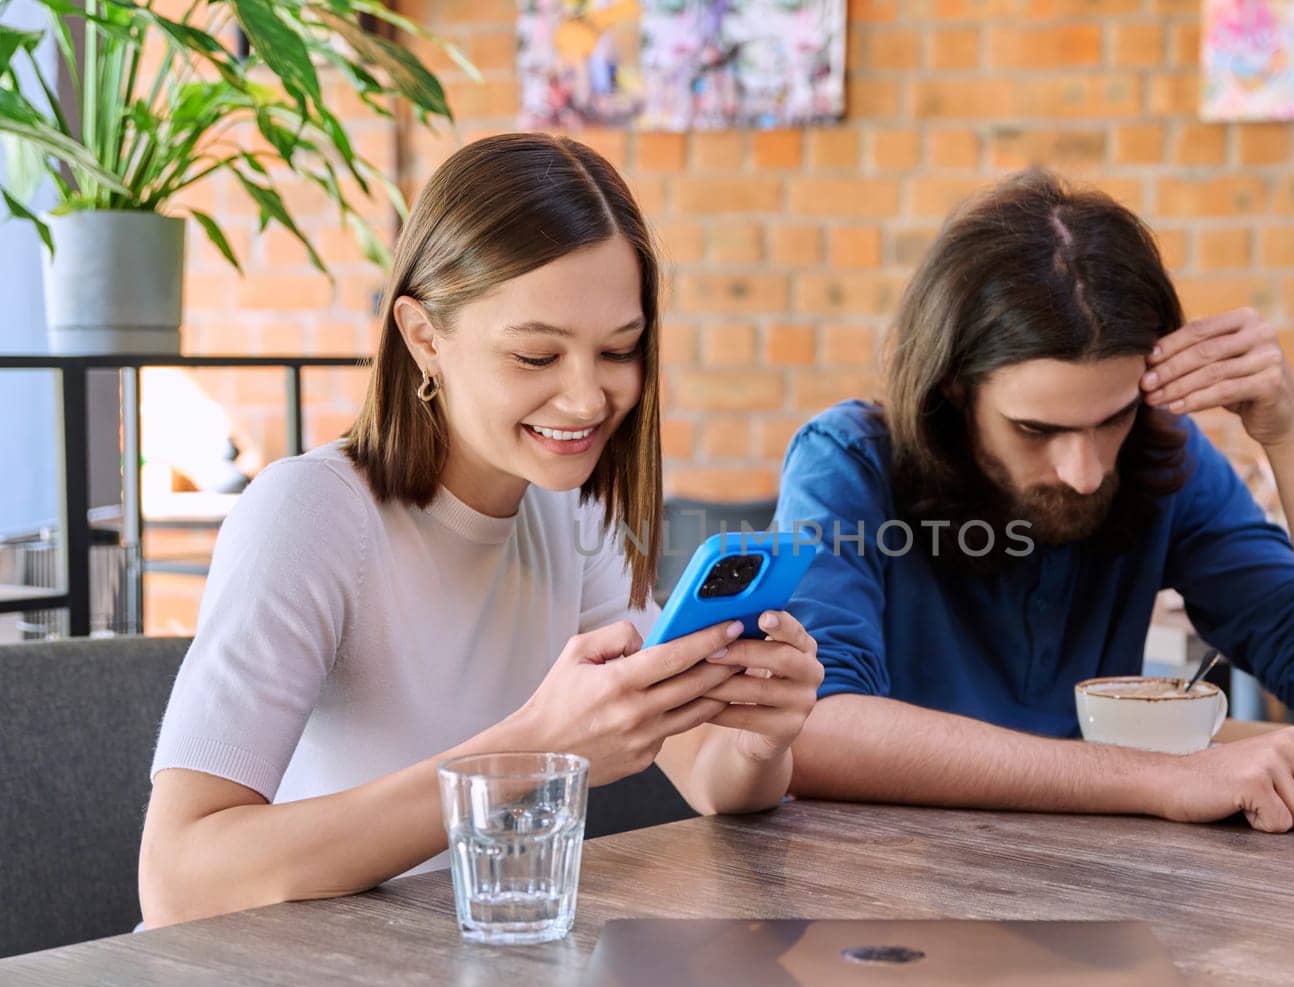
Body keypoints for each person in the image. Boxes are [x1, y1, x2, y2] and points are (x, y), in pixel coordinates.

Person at [139, 134, 824, 926]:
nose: (586, 398)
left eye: (619, 350)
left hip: (450, 981)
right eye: (536, 355)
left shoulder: (570, 511)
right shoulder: (310, 513)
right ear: (424, 336)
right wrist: (530, 751)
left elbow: (710, 777)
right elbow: (179, 877)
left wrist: (759, 738)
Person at [773, 169, 1294, 834]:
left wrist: (1288, 434)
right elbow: (810, 728)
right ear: (957, 392)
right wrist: (1164, 777)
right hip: (876, 890)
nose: (1084, 472)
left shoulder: (1166, 457)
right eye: (1036, 431)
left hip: (1098, 886)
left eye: (1113, 418)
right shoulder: (848, 460)